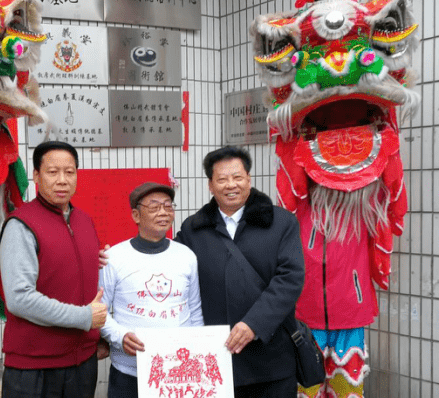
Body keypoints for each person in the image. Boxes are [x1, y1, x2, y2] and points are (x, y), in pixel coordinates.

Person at [175, 146, 304, 398]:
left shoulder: (281, 222)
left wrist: (254, 324)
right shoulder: (193, 229)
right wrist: (116, 258)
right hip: (215, 359)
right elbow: (169, 263)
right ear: (210, 185)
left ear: (249, 179)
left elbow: (290, 278)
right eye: (221, 179)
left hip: (271, 358)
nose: (230, 185)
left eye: (237, 177)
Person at [0, 140, 107, 398]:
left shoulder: (83, 221)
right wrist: (84, 318)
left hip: (82, 364)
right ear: (36, 175)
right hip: (35, 368)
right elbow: (20, 299)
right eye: (52, 172)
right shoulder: (21, 225)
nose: (62, 180)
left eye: (69, 172)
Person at [100, 182, 204, 398]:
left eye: (168, 206)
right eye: (154, 207)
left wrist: (198, 351)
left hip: (177, 373)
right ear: (136, 215)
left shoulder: (186, 256)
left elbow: (195, 310)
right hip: (129, 372)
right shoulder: (114, 258)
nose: (163, 212)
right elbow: (99, 311)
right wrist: (120, 337)